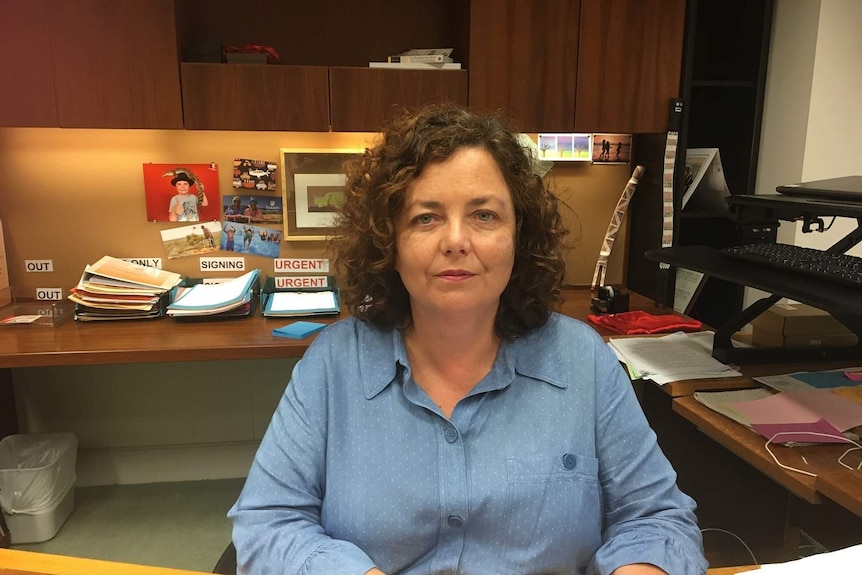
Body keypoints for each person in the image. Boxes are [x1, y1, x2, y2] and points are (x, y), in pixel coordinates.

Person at [228, 103, 707, 575]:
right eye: (425, 217)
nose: (456, 240)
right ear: (388, 243)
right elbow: (269, 523)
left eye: (484, 216)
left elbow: (657, 518)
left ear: (519, 238)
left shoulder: (583, 360)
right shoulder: (333, 365)